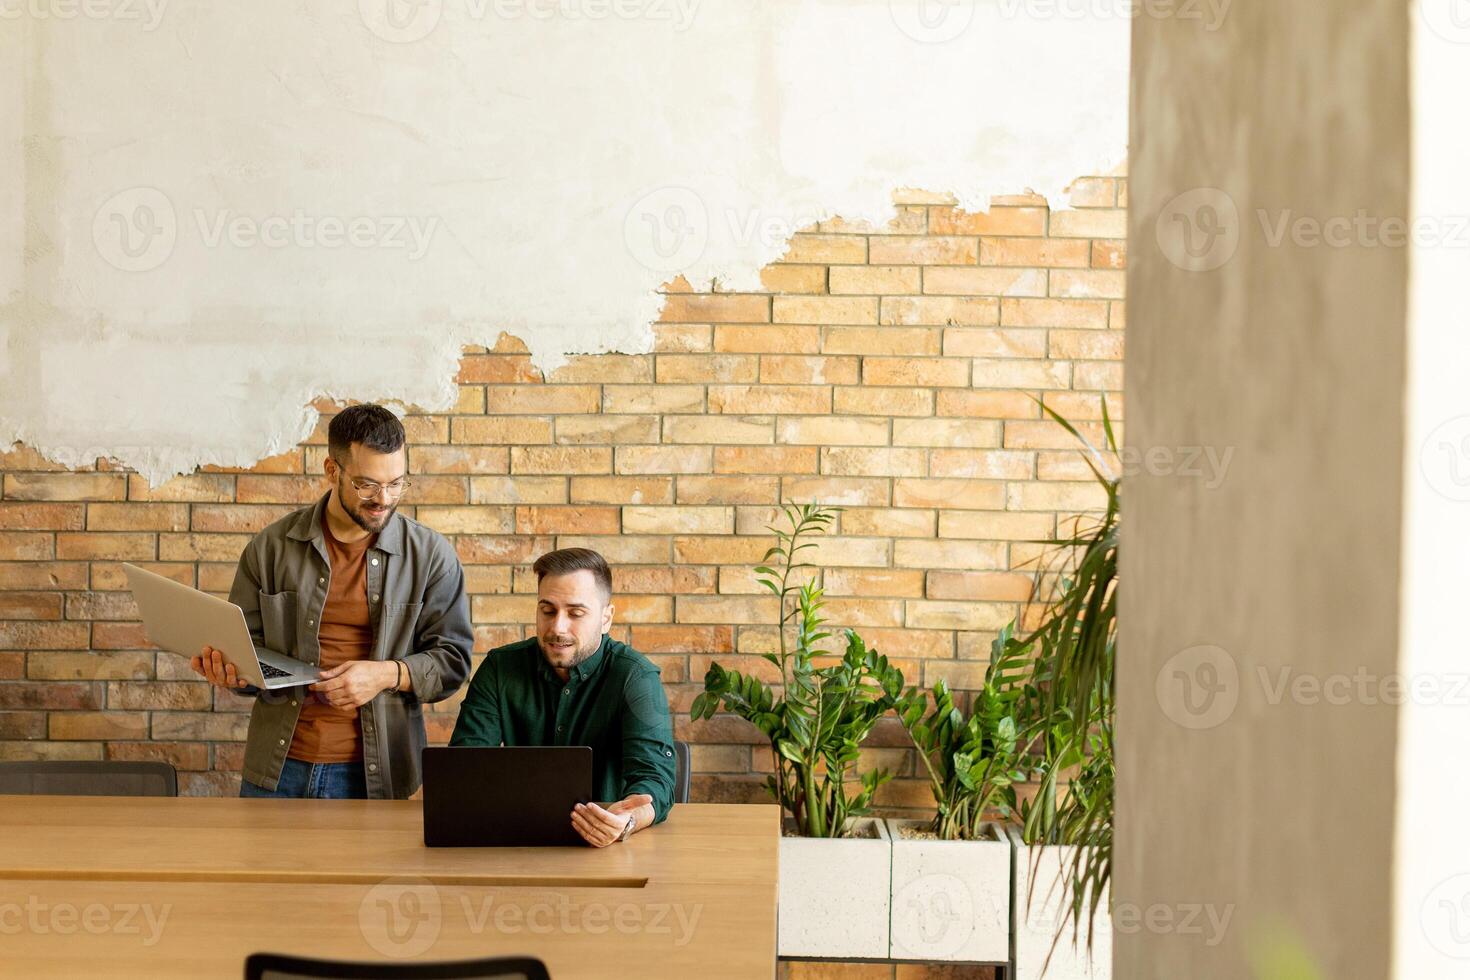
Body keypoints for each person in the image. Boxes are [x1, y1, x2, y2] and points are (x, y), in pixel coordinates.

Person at [190, 404, 473, 799]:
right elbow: (247, 650)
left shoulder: (431, 556)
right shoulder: (270, 548)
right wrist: (232, 673)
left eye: (396, 483)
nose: (384, 499)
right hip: (277, 769)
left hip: (378, 776)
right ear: (331, 471)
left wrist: (385, 674)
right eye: (367, 484)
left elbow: (453, 662)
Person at [450, 548, 677, 846]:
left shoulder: (635, 677)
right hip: (518, 843)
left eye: (575, 613)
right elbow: (464, 770)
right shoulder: (499, 668)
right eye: (547, 610)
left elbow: (655, 781)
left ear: (606, 618)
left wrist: (627, 820)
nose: (557, 627)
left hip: (608, 850)